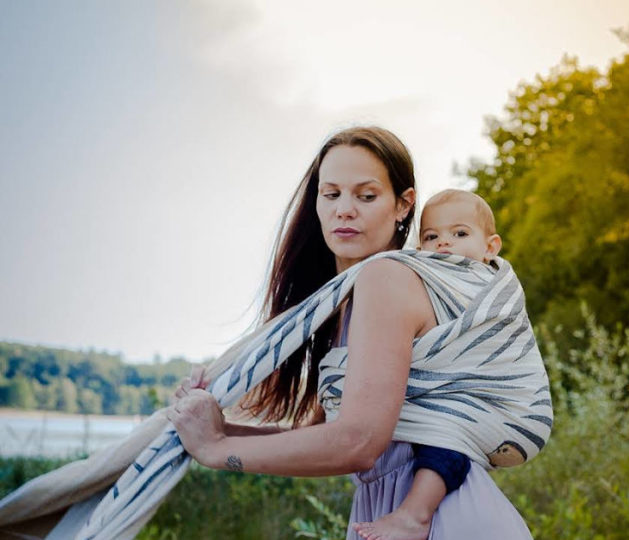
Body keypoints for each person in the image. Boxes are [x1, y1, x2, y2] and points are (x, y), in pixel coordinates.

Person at [168, 126, 538, 540]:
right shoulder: (345, 301)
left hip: (445, 523)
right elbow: (321, 439)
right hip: (395, 519)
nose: (345, 209)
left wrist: (218, 452)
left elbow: (358, 443)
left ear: (403, 205)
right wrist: (221, 428)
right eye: (331, 194)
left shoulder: (387, 279)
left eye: (366, 196)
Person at [352, 188, 504, 540]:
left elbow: (497, 339)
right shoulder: (425, 282)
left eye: (460, 234)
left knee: (445, 437)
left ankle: (416, 514)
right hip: (434, 390)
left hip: (468, 397)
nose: (444, 244)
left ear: (490, 248)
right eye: (431, 236)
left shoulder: (488, 288)